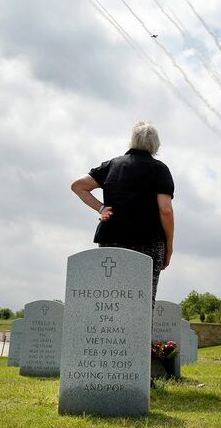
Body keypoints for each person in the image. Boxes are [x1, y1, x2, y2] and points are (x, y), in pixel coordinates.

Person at [70, 121, 174, 309]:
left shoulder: (111, 165)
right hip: (149, 243)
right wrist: (169, 245)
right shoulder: (159, 169)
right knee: (142, 303)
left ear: (132, 141)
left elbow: (78, 186)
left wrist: (101, 208)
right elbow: (165, 209)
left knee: (111, 300)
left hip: (112, 240)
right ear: (156, 145)